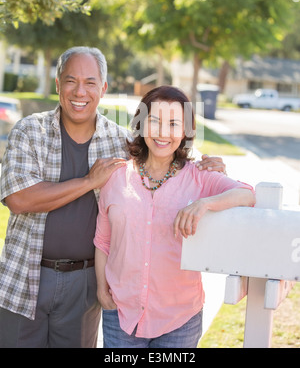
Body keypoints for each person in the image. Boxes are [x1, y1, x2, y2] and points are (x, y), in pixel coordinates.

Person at [0, 47, 226, 348]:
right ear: (57, 84)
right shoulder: (29, 131)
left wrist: (208, 166)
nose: (80, 91)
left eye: (90, 82)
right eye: (70, 81)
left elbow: (164, 152)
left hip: (84, 284)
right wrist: (87, 182)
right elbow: (19, 199)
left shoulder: (120, 142)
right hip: (24, 275)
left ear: (103, 88)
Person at [94, 85, 255, 349]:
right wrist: (102, 289)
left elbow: (248, 194)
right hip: (121, 313)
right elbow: (103, 241)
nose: (163, 133)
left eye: (173, 124)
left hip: (179, 319)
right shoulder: (115, 176)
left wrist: (204, 203)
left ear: (185, 131)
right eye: (154, 121)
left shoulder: (199, 177)